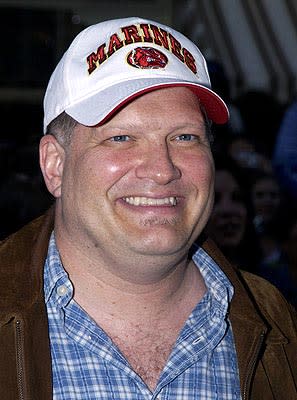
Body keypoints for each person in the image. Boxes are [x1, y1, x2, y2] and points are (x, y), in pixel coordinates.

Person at [0, 17, 296, 400]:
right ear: (55, 165)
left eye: (185, 137)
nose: (161, 169)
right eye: (121, 137)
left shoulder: (280, 328)